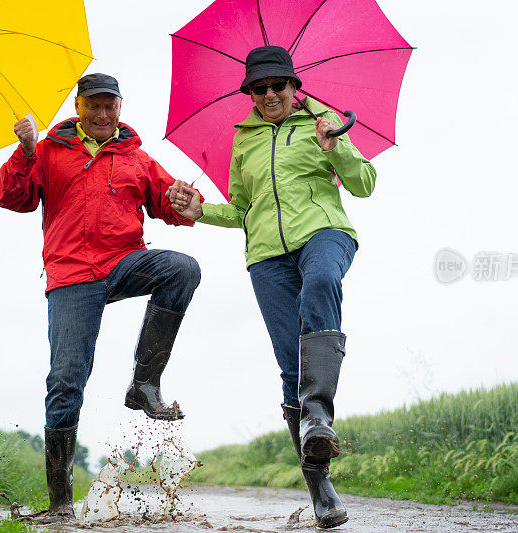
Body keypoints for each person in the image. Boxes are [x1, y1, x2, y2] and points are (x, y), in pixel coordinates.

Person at [168, 46, 376, 529]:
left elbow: (364, 184)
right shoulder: (243, 141)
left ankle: (318, 415)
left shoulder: (325, 123)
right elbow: (243, 209)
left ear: (293, 86)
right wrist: (201, 211)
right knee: (289, 365)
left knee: (322, 281)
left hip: (324, 233)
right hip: (265, 257)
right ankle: (321, 489)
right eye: (257, 89)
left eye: (276, 86)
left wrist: (336, 145)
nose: (267, 95)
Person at [0, 73, 201, 522]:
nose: (103, 115)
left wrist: (186, 199)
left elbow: (172, 204)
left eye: (111, 106)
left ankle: (144, 384)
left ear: (120, 108)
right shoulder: (47, 151)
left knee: (182, 268)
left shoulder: (136, 158)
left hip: (124, 261)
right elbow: (10, 197)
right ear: (79, 107)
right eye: (95, 106)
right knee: (67, 379)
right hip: (71, 275)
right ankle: (61, 501)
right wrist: (26, 153)